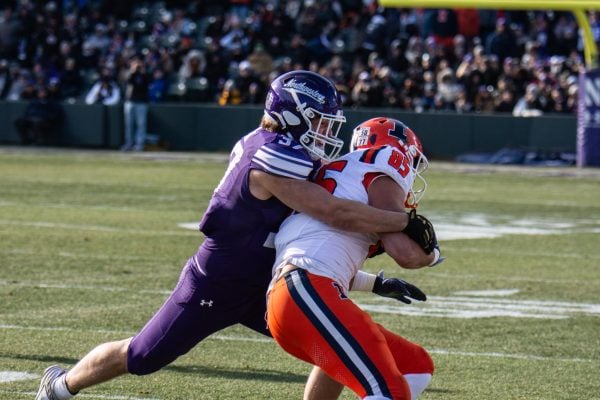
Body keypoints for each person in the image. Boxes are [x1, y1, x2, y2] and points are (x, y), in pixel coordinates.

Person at [35, 71, 436, 400]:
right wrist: (402, 222)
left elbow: (306, 237)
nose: (325, 130)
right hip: (218, 281)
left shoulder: (293, 152)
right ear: (294, 114)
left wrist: (374, 280)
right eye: (317, 119)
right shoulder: (272, 153)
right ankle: (61, 386)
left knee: (335, 343)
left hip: (266, 281)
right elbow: (333, 213)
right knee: (141, 356)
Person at [267, 117, 441, 400]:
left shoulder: (343, 175)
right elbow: (406, 254)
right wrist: (433, 254)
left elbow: (320, 254)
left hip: (294, 296)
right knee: (389, 392)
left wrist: (375, 284)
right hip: (306, 291)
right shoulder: (385, 158)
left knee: (414, 365)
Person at [121, 58, 150, 151]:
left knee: (141, 124)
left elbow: (147, 83)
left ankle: (139, 145)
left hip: (141, 102)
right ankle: (128, 144)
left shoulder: (144, 74)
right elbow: (127, 81)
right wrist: (132, 71)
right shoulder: (130, 73)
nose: (137, 66)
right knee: (129, 124)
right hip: (130, 102)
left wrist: (142, 71)